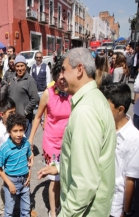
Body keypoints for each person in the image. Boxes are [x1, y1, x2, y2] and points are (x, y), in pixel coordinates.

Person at [37, 47, 116, 216]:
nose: (61, 76)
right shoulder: (94, 99)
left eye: (64, 70)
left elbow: (85, 184)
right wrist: (60, 168)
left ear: (79, 69)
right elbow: (89, 160)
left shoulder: (85, 111)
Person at [29, 58, 71, 217]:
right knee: (54, 179)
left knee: (64, 177)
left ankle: (62, 204)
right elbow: (38, 116)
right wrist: (31, 139)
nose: (61, 77)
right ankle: (53, 211)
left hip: (69, 143)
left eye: (64, 72)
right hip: (52, 144)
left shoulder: (72, 92)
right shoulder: (48, 93)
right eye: (58, 73)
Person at [100, 83, 139, 217]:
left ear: (120, 109)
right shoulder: (105, 126)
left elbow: (130, 180)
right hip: (98, 198)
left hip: (115, 205)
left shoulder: (134, 138)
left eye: (106, 107)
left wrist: (125, 211)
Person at [0, 113, 32, 217]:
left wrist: (29, 174)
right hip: (11, 181)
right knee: (9, 211)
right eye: (15, 131)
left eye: (21, 130)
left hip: (25, 181)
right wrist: (9, 184)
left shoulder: (26, 143)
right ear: (9, 132)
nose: (19, 134)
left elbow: (29, 159)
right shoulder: (4, 148)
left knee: (26, 211)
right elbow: (0, 169)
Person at [7, 55, 39, 138]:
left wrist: (25, 111)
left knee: (25, 140)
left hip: (24, 118)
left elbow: (35, 98)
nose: (19, 68)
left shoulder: (30, 80)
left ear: (26, 66)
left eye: (22, 66)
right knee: (14, 139)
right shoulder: (12, 78)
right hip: (13, 117)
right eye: (17, 66)